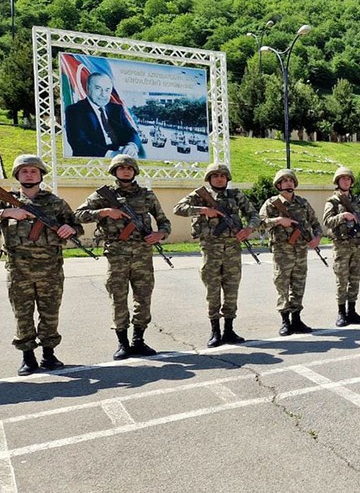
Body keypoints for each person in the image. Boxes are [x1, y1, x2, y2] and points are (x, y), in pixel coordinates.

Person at [75, 154, 171, 360]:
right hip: (117, 254)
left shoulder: (147, 195)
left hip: (143, 254)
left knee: (143, 297)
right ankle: (122, 343)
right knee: (118, 297)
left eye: (129, 168)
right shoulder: (103, 195)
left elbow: (164, 221)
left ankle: (139, 340)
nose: (126, 171)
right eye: (121, 168)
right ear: (114, 172)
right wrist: (105, 212)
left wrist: (160, 234)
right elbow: (78, 214)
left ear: (135, 171)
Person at [1, 155, 82, 376]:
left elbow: (77, 226)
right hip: (19, 271)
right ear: (17, 175)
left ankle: (49, 354)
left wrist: (71, 230)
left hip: (51, 270)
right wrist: (6, 212)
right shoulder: (6, 200)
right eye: (24, 171)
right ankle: (28, 357)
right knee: (23, 315)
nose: (29, 175)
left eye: (33, 171)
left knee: (50, 313)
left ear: (40, 175)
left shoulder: (56, 203)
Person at [173, 163, 260, 347]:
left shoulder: (236, 195)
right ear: (209, 178)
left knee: (231, 290)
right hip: (211, 250)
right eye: (215, 175)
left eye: (222, 175)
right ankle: (215, 331)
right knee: (212, 291)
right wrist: (202, 210)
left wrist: (248, 229)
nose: (219, 178)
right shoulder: (200, 195)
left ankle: (229, 329)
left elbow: (254, 215)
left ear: (227, 178)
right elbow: (178, 208)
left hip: (232, 250)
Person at [258, 169, 322, 336]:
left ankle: (297, 318)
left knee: (299, 284)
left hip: (300, 250)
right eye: (285, 181)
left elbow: (315, 223)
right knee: (282, 285)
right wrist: (278, 220)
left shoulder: (302, 203)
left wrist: (317, 238)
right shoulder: (271, 204)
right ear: (278, 185)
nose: (288, 183)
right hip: (282, 251)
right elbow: (259, 223)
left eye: (291, 180)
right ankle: (285, 320)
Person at [323, 167, 360, 327]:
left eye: (348, 179)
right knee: (342, 280)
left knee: (354, 279)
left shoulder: (357, 201)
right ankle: (341, 313)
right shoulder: (333, 201)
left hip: (357, 245)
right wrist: (342, 216)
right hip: (342, 246)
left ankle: (352, 311)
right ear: (337, 181)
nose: (346, 181)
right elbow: (327, 221)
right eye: (343, 178)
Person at [64, 72, 141, 158]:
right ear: (88, 88)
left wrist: (132, 146)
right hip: (93, 161)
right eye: (98, 88)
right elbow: (79, 143)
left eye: (107, 90)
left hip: (121, 155)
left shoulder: (116, 109)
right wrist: (112, 154)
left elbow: (132, 132)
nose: (103, 94)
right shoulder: (75, 110)